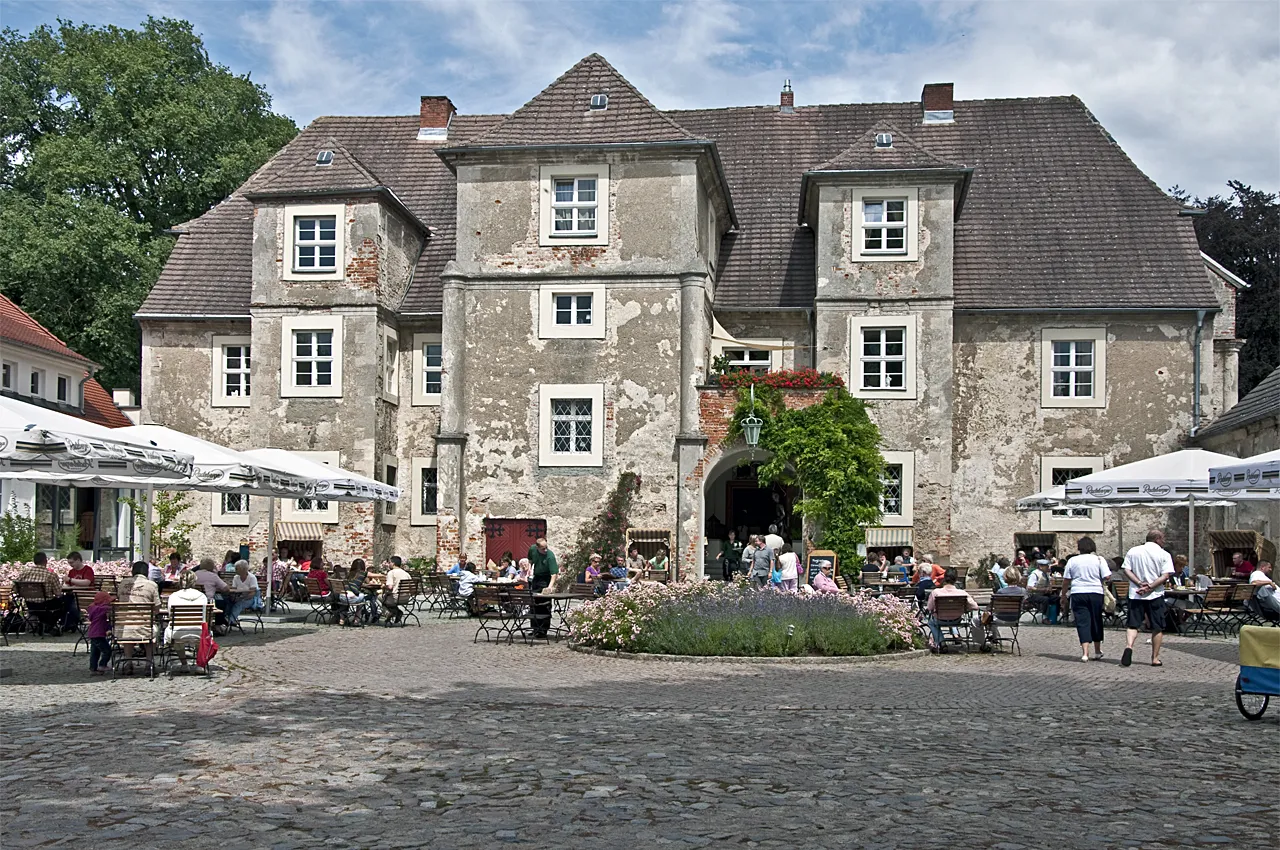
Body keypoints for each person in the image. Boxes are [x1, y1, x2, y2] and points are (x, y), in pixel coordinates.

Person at [1121, 530, 1175, 667]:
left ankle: (1129, 646)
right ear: (1157, 539)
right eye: (1163, 538)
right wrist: (1150, 587)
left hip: (1136, 593)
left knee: (1133, 624)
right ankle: (1155, 658)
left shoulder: (1133, 551)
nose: (1164, 541)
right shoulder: (1164, 554)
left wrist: (1139, 583)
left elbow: (1126, 570)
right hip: (1155, 594)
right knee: (1157, 627)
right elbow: (1165, 576)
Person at [1059, 536, 1111, 663]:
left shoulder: (1073, 561)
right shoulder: (1099, 559)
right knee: (1096, 620)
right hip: (1095, 592)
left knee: (1082, 621)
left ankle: (1085, 653)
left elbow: (1066, 580)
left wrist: (1063, 595)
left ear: (1079, 548)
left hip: (1078, 592)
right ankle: (1097, 650)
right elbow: (1107, 576)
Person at [925, 568, 986, 651]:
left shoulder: (936, 592)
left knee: (931, 623)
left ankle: (942, 642)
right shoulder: (962, 593)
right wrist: (964, 608)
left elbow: (929, 608)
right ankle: (955, 635)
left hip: (940, 619)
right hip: (956, 619)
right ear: (956, 579)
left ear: (944, 578)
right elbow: (975, 606)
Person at [117, 561, 160, 673]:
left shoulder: (122, 583)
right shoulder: (152, 585)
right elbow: (156, 608)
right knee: (151, 628)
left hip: (124, 626)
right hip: (144, 627)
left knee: (128, 628)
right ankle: (149, 663)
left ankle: (128, 662)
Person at [165, 571, 211, 673]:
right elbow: (204, 616)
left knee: (174, 631)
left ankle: (184, 664)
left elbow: (170, 614)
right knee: (200, 632)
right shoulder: (202, 596)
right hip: (198, 630)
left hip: (178, 631)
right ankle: (200, 665)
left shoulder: (174, 596)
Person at [528, 539, 557, 637]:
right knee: (534, 604)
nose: (545, 550)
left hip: (546, 579)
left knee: (544, 604)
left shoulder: (550, 556)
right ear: (537, 548)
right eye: (543, 548)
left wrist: (549, 587)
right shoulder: (532, 549)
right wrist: (529, 569)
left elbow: (554, 574)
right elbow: (530, 559)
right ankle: (535, 628)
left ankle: (543, 630)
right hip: (536, 578)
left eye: (546, 548)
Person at [85, 590, 113, 675]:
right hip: (99, 634)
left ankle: (93, 668)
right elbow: (110, 609)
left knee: (95, 653)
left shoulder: (93, 608)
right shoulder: (102, 609)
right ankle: (102, 665)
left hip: (93, 633)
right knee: (107, 650)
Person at [226, 560, 261, 627]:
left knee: (239, 604)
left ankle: (229, 621)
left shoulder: (252, 577)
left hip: (250, 599)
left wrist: (242, 598)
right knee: (227, 602)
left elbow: (253, 593)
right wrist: (235, 597)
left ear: (243, 569)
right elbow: (234, 589)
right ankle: (226, 620)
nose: (235, 570)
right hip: (238, 597)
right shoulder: (236, 577)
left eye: (237, 568)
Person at [381, 558, 413, 624]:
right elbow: (412, 587)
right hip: (406, 598)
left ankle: (392, 612)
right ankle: (395, 612)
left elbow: (390, 587)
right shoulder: (406, 574)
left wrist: (384, 586)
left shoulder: (391, 573)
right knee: (387, 598)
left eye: (389, 563)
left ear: (393, 563)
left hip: (395, 598)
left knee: (378, 597)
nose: (388, 564)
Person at [1026, 559, 1056, 623]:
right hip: (1033, 595)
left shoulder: (1045, 574)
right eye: (1046, 566)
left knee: (1056, 598)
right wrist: (1042, 589)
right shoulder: (1035, 574)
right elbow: (1030, 587)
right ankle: (1045, 617)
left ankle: (1054, 616)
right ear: (1040, 567)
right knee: (1045, 599)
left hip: (1043, 594)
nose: (1048, 567)